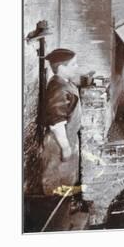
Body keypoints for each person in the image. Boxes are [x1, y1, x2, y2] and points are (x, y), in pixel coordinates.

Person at [39, 48, 82, 194]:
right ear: (62, 68)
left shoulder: (64, 82)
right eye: (74, 64)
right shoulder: (58, 89)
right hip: (58, 142)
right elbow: (56, 123)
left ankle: (65, 205)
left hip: (67, 137)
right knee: (55, 180)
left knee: (66, 178)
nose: (77, 67)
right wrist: (65, 147)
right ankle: (55, 209)